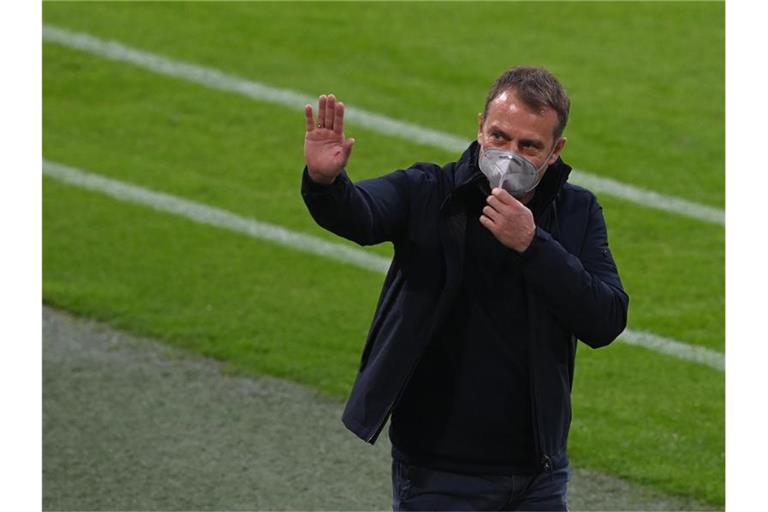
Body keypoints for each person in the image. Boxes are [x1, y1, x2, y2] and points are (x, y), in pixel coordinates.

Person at [300, 66, 628, 511]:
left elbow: (605, 318)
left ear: (555, 151)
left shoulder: (577, 211)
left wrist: (533, 245)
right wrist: (326, 184)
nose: (510, 154)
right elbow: (362, 214)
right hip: (439, 473)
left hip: (538, 474)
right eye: (499, 137)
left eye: (529, 145)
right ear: (479, 128)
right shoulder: (430, 192)